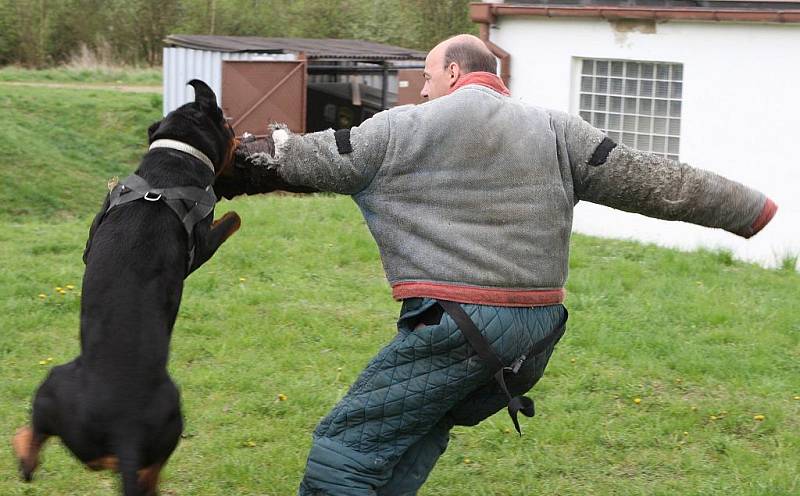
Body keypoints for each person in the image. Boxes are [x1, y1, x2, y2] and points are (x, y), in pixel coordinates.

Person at [214, 34, 777, 496]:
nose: (425, 89)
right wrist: (752, 209)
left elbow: (296, 160)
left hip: (462, 325)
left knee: (345, 450)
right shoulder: (560, 131)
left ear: (455, 73)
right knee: (416, 427)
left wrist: (206, 160)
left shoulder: (399, 129)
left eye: (430, 78)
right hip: (536, 332)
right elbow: (660, 183)